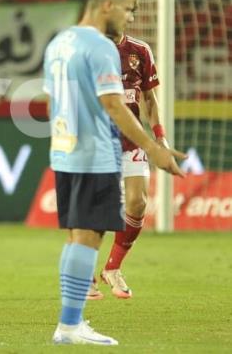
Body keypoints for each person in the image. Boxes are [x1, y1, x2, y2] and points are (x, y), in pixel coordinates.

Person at [43, 0, 185, 345]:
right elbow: (112, 104)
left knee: (78, 236)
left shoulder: (60, 42)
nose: (130, 16)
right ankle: (70, 326)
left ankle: (70, 323)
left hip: (65, 149)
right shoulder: (101, 47)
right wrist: (155, 148)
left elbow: (53, 99)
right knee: (88, 237)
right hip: (95, 151)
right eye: (127, 8)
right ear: (106, 5)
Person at [86, 31, 165, 300]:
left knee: (138, 201)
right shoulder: (90, 50)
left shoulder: (139, 50)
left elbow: (150, 100)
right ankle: (85, 274)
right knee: (98, 209)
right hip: (99, 140)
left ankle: (113, 268)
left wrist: (160, 137)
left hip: (132, 140)